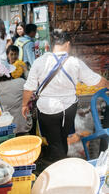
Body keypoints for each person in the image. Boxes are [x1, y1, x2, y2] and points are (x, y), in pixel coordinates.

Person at [22, 30, 108, 163]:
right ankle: (61, 163)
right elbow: (95, 80)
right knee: (61, 138)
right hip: (68, 108)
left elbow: (29, 87)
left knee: (55, 141)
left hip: (46, 108)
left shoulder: (40, 62)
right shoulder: (74, 62)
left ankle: (60, 165)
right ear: (67, 44)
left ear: (52, 44)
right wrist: (108, 84)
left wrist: (24, 105)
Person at [0, 60, 31, 135]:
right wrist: (26, 70)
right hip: (22, 128)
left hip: (1, 131)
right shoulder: (20, 82)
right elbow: (32, 84)